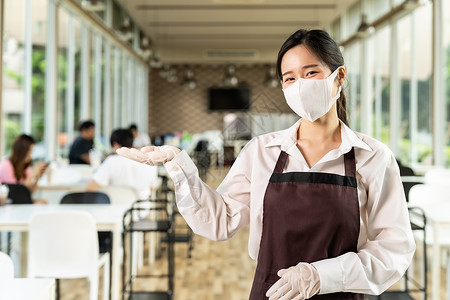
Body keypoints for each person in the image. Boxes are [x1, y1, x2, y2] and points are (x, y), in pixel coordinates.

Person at [117, 29, 415, 299]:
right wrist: (180, 166)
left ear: (339, 77)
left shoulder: (373, 157)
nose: (300, 85)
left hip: (342, 294)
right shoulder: (262, 152)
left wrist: (321, 276)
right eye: (290, 78)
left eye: (311, 73)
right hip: (271, 294)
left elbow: (394, 249)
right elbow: (220, 220)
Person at [86, 129, 158, 200]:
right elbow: (152, 188)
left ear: (115, 144)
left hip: (115, 208)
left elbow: (90, 188)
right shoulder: (148, 160)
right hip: (142, 209)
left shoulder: (112, 161)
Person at [0, 134, 48, 203]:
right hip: (10, 202)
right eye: (30, 151)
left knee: (43, 202)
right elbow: (18, 193)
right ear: (22, 151)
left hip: (20, 201)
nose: (31, 155)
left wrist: (37, 177)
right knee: (40, 203)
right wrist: (33, 174)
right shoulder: (6, 166)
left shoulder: (26, 167)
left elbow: (28, 192)